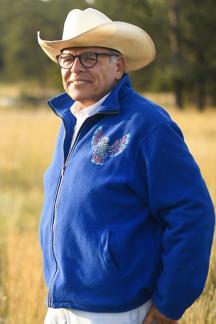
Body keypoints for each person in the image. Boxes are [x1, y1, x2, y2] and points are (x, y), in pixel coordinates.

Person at [37, 8, 215, 324]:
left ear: (118, 65)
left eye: (89, 57)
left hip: (117, 312)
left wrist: (167, 308)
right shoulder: (71, 122)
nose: (75, 67)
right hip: (60, 308)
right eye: (68, 58)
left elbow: (193, 214)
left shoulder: (148, 125)